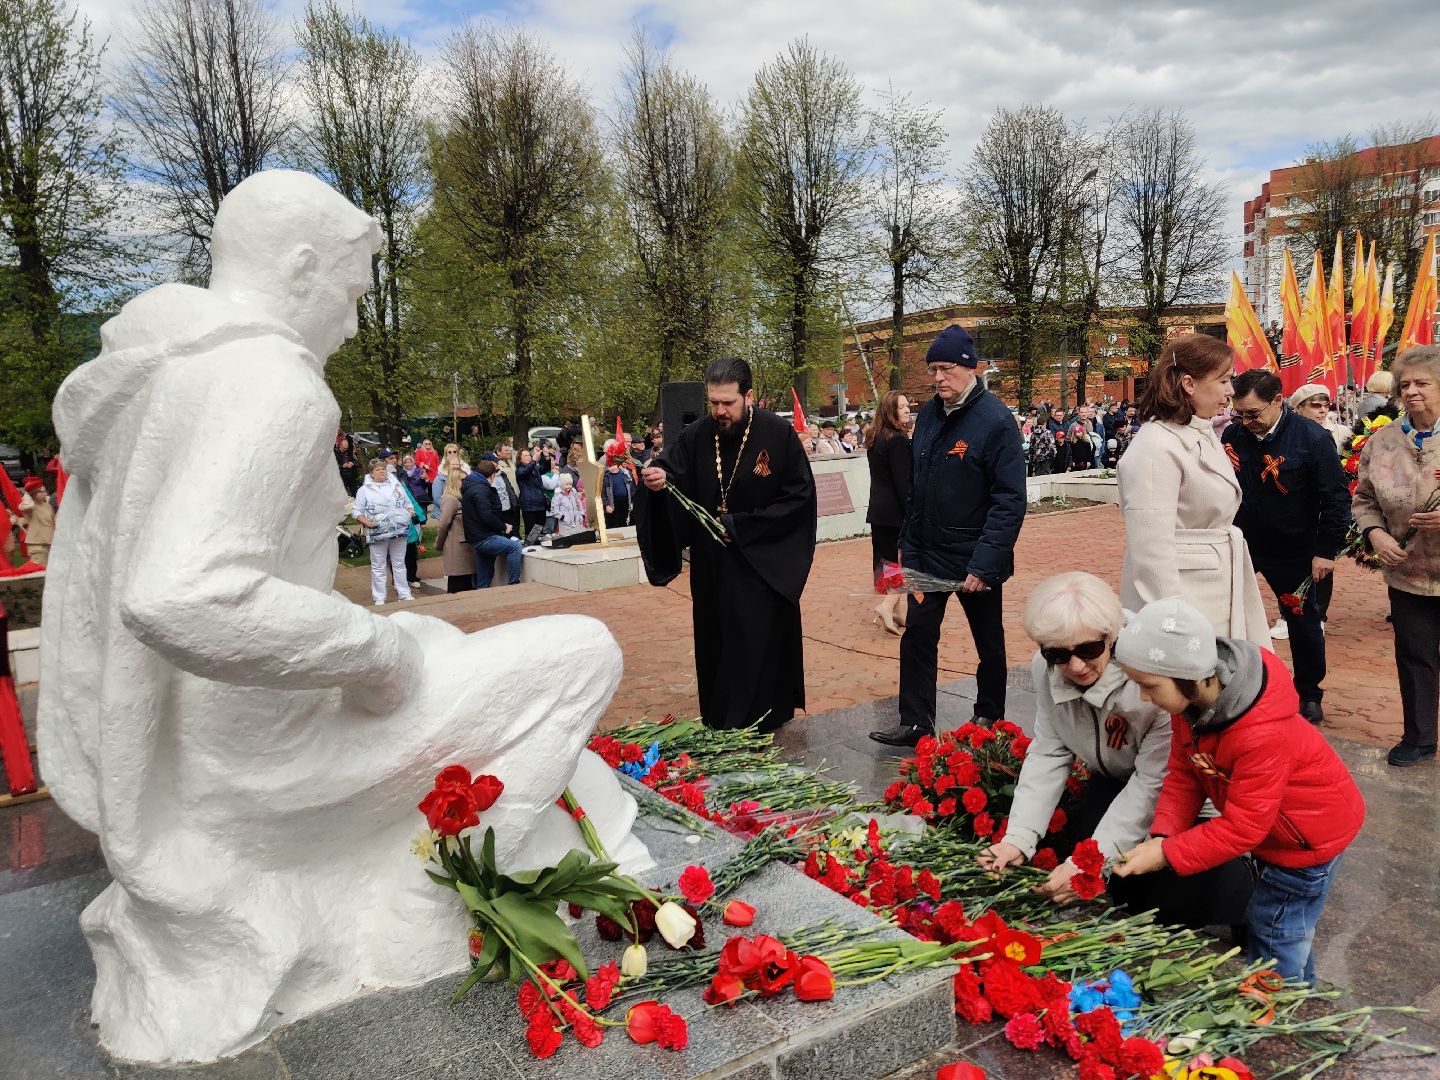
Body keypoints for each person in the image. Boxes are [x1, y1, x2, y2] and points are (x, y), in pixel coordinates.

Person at [1111, 598, 1364, 983]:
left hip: (1307, 840)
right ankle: (1297, 992)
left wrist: (1166, 853)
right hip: (1278, 832)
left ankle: (1284, 1011)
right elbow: (1184, 774)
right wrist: (1164, 834)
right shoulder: (1190, 710)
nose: (1144, 697)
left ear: (1190, 675)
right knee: (1279, 926)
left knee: (1275, 930)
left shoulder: (1261, 734)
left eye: (1149, 686)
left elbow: (1245, 827)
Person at [978, 573, 1253, 927]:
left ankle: (1245, 888)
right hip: (1115, 780)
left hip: (1187, 797)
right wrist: (1017, 839)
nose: (1075, 666)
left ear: (1112, 635)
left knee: (1167, 896)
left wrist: (1090, 862)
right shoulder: (1044, 670)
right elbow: (1050, 751)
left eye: (1089, 650)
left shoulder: (1152, 679)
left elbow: (1155, 781)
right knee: (1108, 868)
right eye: (1058, 654)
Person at [636, 355, 818, 731]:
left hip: (761, 565)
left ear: (748, 396)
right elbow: (671, 470)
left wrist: (741, 525)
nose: (719, 411)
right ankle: (721, 720)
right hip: (713, 568)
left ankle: (764, 720)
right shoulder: (697, 435)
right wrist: (656, 481)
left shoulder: (776, 435)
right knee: (717, 643)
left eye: (728, 403)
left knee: (757, 645)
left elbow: (799, 499)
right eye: (713, 402)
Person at [870, 325, 1026, 746]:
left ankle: (989, 715)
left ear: (969, 367)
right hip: (926, 552)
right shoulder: (930, 418)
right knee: (918, 635)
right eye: (932, 369)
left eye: (945, 368)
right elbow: (917, 488)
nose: (937, 378)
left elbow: (1009, 500)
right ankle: (916, 720)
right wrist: (906, 543)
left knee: (988, 641)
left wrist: (985, 564)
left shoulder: (996, 422)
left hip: (974, 557)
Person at [1118, 333, 1270, 646]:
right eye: (1223, 380)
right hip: (1188, 596)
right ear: (1189, 383)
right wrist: (1174, 626)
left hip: (1215, 586)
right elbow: (1150, 550)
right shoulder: (1156, 446)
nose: (1230, 390)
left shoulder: (1200, 432)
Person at [1223, 370, 1351, 724]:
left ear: (1278, 400)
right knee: (1230, 615)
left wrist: (1326, 551)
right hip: (1243, 545)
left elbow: (1336, 498)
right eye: (1240, 413)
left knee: (1303, 621)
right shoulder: (1235, 434)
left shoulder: (1311, 437)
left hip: (1295, 549)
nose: (1246, 422)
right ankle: (1236, 687)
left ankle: (1309, 692)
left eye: (1253, 413)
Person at [1352, 345, 1440, 766]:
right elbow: (1364, 498)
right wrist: (1374, 534)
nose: (1411, 391)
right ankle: (1419, 737)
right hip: (1408, 574)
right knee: (1415, 657)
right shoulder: (1383, 442)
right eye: (1405, 384)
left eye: (1422, 383)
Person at [865, 391, 913, 636]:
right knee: (903, 564)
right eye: (901, 407)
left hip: (879, 512)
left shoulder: (875, 438)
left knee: (890, 565)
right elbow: (903, 483)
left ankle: (896, 612)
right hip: (896, 514)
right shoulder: (897, 440)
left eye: (907, 405)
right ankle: (886, 606)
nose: (907, 409)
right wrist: (912, 515)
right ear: (890, 411)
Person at [352, 458, 416, 605]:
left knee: (399, 563)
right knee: (378, 565)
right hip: (377, 534)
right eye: (377, 469)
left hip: (399, 532)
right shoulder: (364, 490)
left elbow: (408, 503)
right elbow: (356, 512)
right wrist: (368, 523)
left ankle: (404, 593)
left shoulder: (397, 486)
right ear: (371, 473)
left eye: (383, 469)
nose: (381, 471)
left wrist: (408, 514)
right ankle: (379, 597)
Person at [461, 460, 522, 587]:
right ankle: (514, 584)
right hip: (484, 536)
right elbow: (486, 515)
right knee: (515, 547)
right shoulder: (481, 489)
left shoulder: (472, 485)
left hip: (477, 535)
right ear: (492, 475)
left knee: (485, 570)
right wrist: (504, 526)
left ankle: (481, 593)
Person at [431, 466, 476, 593]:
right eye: (462, 480)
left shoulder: (462, 497)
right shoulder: (451, 499)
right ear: (454, 481)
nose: (465, 482)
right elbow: (443, 524)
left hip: (465, 545)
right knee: (457, 583)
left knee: (467, 582)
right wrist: (438, 544)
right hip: (456, 546)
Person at [18, 478, 56, 566]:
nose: (45, 494)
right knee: (39, 572)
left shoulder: (48, 506)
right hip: (37, 546)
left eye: (44, 491)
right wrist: (29, 490)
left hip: (50, 543)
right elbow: (25, 506)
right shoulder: (30, 507)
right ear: (33, 494)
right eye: (41, 492)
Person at [514, 448, 549, 538]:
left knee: (540, 527)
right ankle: (531, 546)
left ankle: (537, 545)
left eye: (529, 455)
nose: (528, 457)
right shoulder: (519, 470)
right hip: (529, 505)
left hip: (540, 503)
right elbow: (526, 471)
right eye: (525, 455)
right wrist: (534, 460)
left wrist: (546, 457)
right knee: (531, 530)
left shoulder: (534, 468)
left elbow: (545, 468)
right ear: (520, 459)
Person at [601, 448, 635, 530]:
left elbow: (632, 488)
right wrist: (606, 505)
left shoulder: (625, 474)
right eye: (609, 466)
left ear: (618, 465)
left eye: (613, 465)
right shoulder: (606, 478)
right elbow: (603, 493)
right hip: (613, 504)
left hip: (625, 503)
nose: (612, 468)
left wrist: (632, 501)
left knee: (623, 520)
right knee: (614, 522)